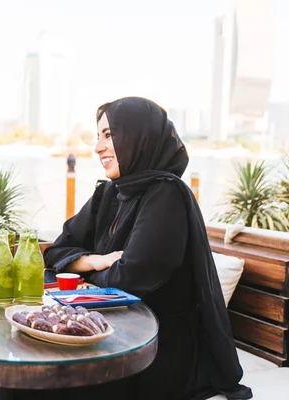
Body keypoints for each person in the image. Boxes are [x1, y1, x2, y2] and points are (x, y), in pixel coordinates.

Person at [43, 97, 252, 400]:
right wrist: (95, 262)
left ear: (138, 137)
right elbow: (55, 252)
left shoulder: (166, 194)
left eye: (108, 135)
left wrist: (93, 273)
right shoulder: (110, 193)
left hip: (156, 350)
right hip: (112, 333)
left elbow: (128, 279)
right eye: (97, 137)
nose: (97, 147)